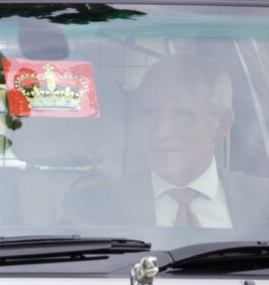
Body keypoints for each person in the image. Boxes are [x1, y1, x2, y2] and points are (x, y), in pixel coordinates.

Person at [63, 54, 269, 229]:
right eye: (149, 114)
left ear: (222, 125)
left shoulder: (263, 202)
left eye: (182, 116)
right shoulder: (90, 207)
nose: (161, 132)